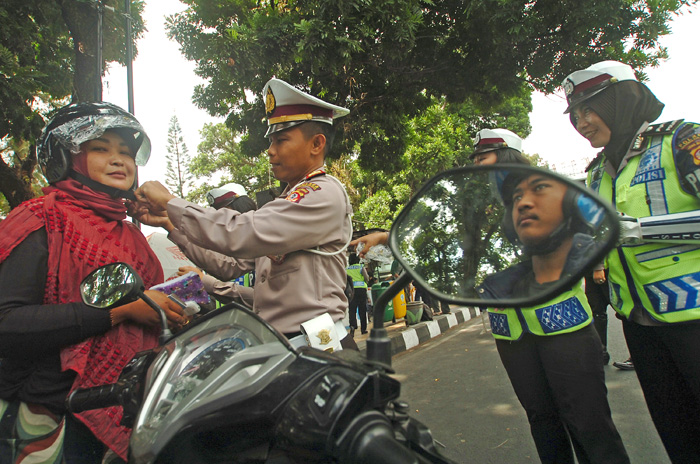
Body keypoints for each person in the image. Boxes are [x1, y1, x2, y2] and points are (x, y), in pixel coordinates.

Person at [0, 102, 186, 463]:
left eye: (126, 153)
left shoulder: (132, 237)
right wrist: (120, 312)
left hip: (123, 410)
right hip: (42, 416)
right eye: (101, 149)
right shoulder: (42, 219)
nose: (119, 161)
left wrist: (172, 314)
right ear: (67, 159)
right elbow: (6, 323)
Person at [131, 78, 358, 350]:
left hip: (319, 346)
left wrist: (171, 202)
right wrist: (171, 224)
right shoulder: (286, 201)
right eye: (271, 141)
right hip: (286, 344)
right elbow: (229, 265)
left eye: (281, 140)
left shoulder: (322, 193)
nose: (271, 152)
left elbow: (241, 232)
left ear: (317, 144)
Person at [563, 59, 700, 462]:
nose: (583, 122)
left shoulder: (682, 140)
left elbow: (631, 230)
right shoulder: (595, 175)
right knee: (677, 434)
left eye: (591, 109)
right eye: (576, 114)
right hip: (639, 326)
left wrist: (642, 230)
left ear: (624, 99)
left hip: (694, 318)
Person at [479, 171, 629, 464]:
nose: (523, 203)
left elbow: (597, 229)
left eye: (491, 156)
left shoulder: (550, 199)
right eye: (516, 198)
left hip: (567, 331)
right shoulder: (480, 214)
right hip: (512, 339)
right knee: (542, 422)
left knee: (589, 425)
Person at [176, 186, 258, 309]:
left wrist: (207, 282)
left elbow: (261, 298)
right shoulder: (216, 252)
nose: (219, 223)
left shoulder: (262, 247)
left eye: (224, 215)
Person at [346, 254, 370, 335]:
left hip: (351, 291)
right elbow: (366, 278)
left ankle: (353, 326)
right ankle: (363, 329)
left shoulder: (346, 269)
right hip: (361, 290)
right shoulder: (360, 267)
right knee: (362, 309)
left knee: (352, 310)